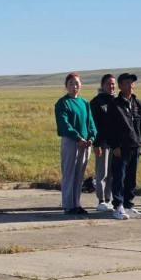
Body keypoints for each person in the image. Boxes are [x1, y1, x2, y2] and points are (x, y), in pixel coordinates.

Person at [103, 73, 141, 220]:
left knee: (131, 178)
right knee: (119, 176)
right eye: (127, 83)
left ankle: (128, 205)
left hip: (135, 145)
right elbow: (109, 128)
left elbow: (140, 125)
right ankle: (118, 206)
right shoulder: (115, 104)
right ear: (121, 85)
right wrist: (114, 145)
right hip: (121, 147)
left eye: (132, 83)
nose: (131, 85)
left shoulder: (136, 103)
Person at [54, 73, 96, 215]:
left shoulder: (84, 103)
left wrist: (91, 137)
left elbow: (90, 123)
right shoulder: (62, 103)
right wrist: (78, 138)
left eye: (77, 83)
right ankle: (68, 205)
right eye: (71, 83)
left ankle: (76, 204)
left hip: (85, 143)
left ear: (81, 85)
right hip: (71, 141)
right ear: (66, 86)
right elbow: (64, 124)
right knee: (69, 173)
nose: (74, 86)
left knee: (79, 174)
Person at [90, 74, 116, 212]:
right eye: (108, 84)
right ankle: (101, 200)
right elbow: (94, 125)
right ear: (102, 85)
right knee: (102, 171)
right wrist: (96, 144)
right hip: (102, 142)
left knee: (112, 171)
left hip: (115, 143)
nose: (111, 87)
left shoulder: (117, 100)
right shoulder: (97, 102)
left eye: (113, 84)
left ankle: (108, 198)